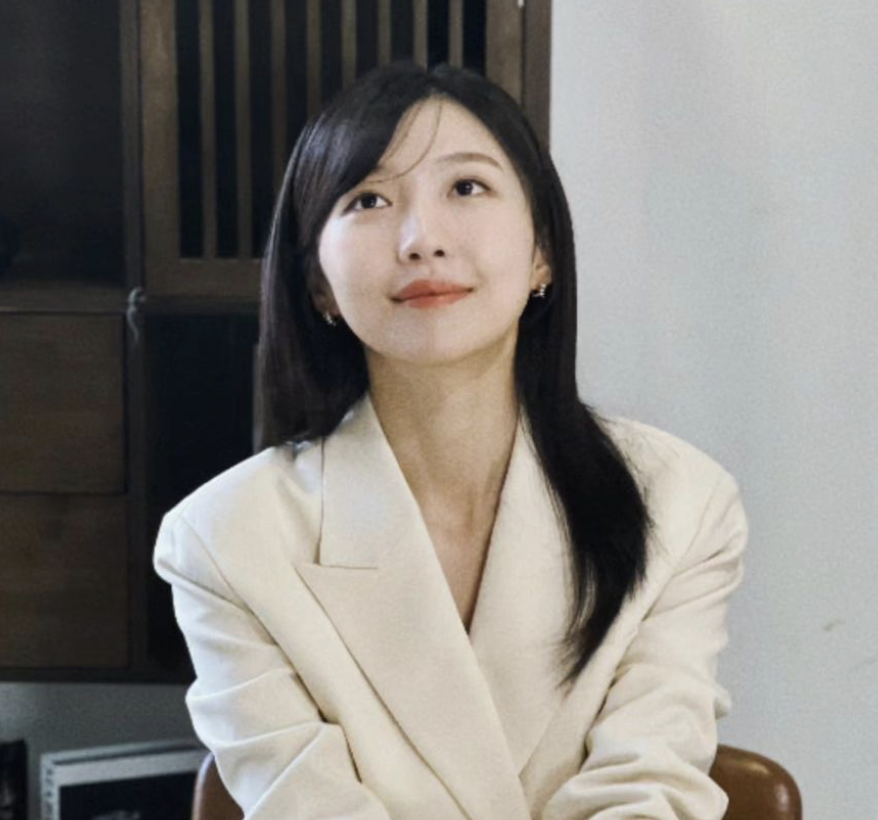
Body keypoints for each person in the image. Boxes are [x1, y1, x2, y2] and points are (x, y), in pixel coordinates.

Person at [154, 62, 747, 820]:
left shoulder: (681, 504)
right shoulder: (223, 542)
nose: (422, 240)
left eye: (466, 187)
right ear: (319, 286)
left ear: (542, 251)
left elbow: (648, 790)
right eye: (368, 200)